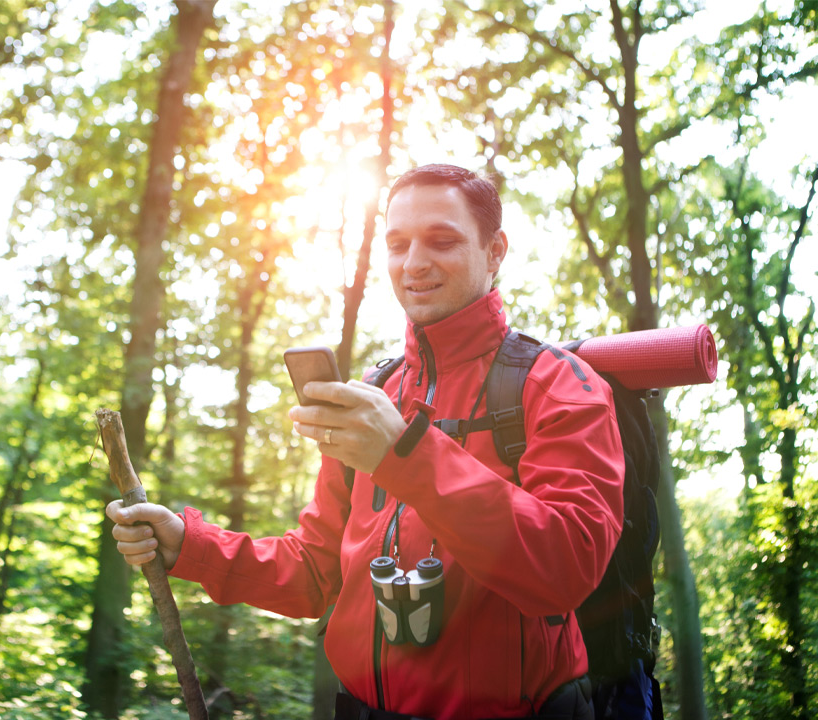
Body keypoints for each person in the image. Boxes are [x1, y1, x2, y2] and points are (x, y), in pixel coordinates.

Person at [107, 164, 624, 720]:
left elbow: (566, 568)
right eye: (398, 244)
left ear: (495, 251)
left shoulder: (560, 385)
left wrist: (403, 454)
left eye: (442, 240)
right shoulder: (376, 394)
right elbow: (313, 572)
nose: (414, 263)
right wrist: (189, 545)